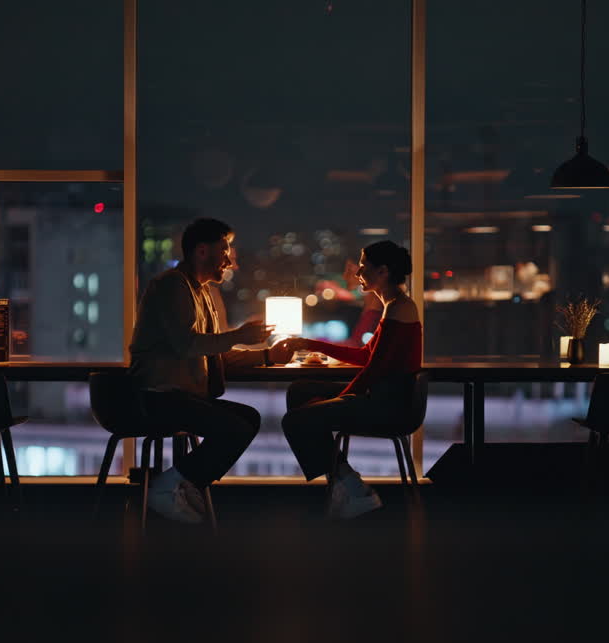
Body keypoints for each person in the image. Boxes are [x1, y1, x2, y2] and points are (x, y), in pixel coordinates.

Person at [129, 217, 274, 523]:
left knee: (249, 418)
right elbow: (187, 344)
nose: (229, 261)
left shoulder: (202, 292)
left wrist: (267, 355)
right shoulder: (172, 285)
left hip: (182, 396)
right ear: (202, 251)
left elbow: (212, 352)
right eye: (224, 251)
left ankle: (183, 483)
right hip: (159, 396)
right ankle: (169, 486)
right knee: (235, 428)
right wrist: (239, 336)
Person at [269, 240, 422, 519]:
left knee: (294, 421)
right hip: (384, 395)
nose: (358, 273)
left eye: (364, 266)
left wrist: (341, 398)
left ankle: (351, 486)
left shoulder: (399, 308)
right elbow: (366, 356)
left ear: (383, 272)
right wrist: (310, 344)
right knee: (300, 391)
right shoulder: (394, 306)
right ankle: (343, 482)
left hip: (388, 404)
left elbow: (374, 369)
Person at [342, 257, 383, 346]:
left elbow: (358, 346)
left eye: (349, 269)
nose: (344, 276)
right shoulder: (370, 305)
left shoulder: (376, 309)